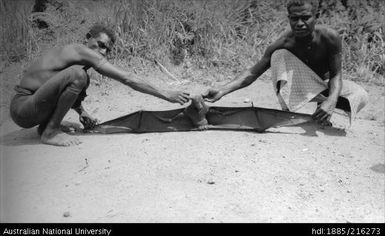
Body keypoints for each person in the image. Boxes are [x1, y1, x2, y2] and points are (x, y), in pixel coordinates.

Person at [10, 23, 190, 146]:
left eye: (107, 49)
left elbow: (54, 85)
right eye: (100, 44)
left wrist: (82, 112)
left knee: (81, 77)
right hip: (23, 108)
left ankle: (46, 126)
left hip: (34, 108)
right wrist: (166, 94)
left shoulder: (77, 58)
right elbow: (127, 78)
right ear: (88, 38)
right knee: (78, 76)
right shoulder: (80, 50)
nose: (103, 52)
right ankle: (50, 132)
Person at [203, 0, 368, 126]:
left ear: (316, 17)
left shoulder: (330, 37)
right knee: (279, 55)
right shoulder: (284, 42)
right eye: (295, 18)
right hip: (302, 88)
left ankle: (321, 111)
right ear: (289, 18)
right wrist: (222, 90)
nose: (300, 23)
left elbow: (336, 74)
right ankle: (287, 114)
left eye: (305, 18)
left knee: (360, 95)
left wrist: (331, 101)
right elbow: (253, 73)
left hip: (325, 87)